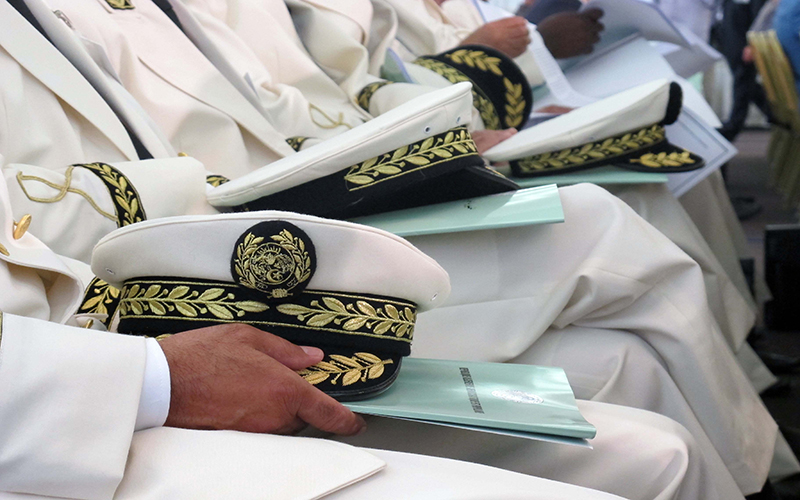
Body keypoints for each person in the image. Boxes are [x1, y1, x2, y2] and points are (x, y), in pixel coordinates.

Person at [28, 0, 790, 494]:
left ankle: (756, 451)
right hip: (140, 319)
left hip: (222, 256)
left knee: (633, 359)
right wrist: (153, 371)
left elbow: (299, 106)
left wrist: (436, 137)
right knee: (599, 230)